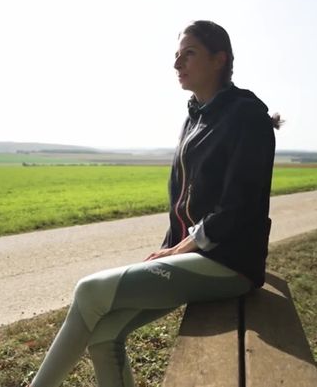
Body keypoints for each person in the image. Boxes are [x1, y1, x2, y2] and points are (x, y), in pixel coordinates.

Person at [27, 20, 283, 387]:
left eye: (189, 54)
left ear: (218, 59)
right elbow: (183, 204)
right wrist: (170, 248)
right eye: (177, 56)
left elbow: (240, 204)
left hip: (229, 262)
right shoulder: (195, 116)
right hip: (194, 258)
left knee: (89, 290)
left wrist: (185, 246)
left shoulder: (245, 115)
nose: (178, 64)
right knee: (103, 336)